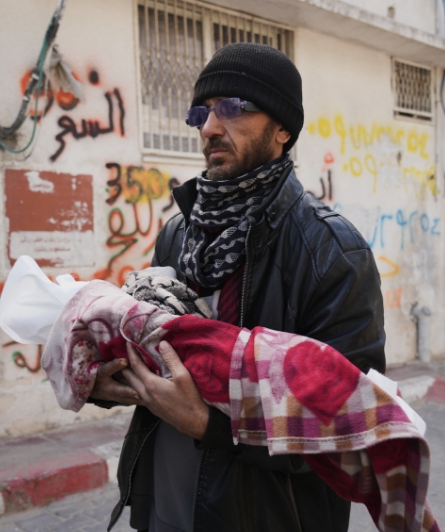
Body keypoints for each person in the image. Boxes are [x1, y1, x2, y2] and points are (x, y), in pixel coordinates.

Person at [90, 42, 386, 532]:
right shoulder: (178, 234)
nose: (209, 127)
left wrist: (211, 426)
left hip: (270, 516)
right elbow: (151, 348)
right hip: (167, 505)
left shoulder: (332, 252)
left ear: (283, 128)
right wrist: (108, 379)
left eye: (232, 108)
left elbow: (350, 422)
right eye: (201, 112)